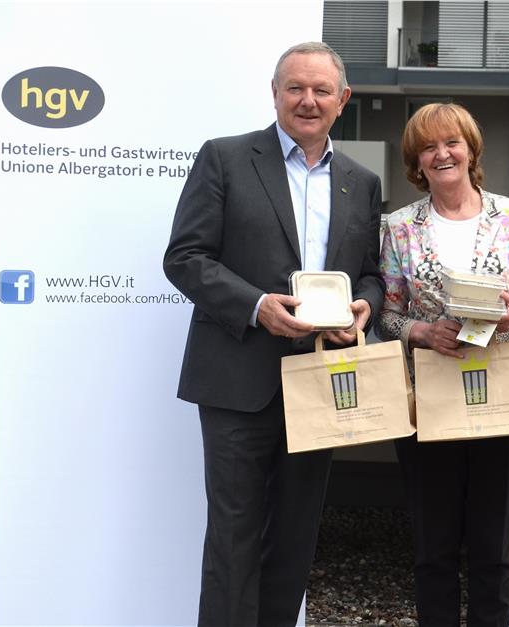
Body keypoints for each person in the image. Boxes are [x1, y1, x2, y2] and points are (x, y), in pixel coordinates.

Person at [163, 42, 384, 627]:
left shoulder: (361, 182)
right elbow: (185, 257)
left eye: (321, 90)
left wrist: (365, 306)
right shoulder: (226, 158)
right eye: (295, 88)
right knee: (233, 542)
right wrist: (257, 305)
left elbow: (370, 272)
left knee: (293, 544)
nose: (308, 100)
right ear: (275, 93)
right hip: (238, 381)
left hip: (319, 382)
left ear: (343, 99)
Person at [378, 103, 509, 627]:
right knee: (433, 552)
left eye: (451, 142)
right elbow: (387, 312)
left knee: (493, 553)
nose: (441, 154)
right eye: (428, 147)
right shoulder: (399, 227)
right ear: (416, 161)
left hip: (505, 399)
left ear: (471, 150)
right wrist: (422, 332)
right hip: (430, 403)